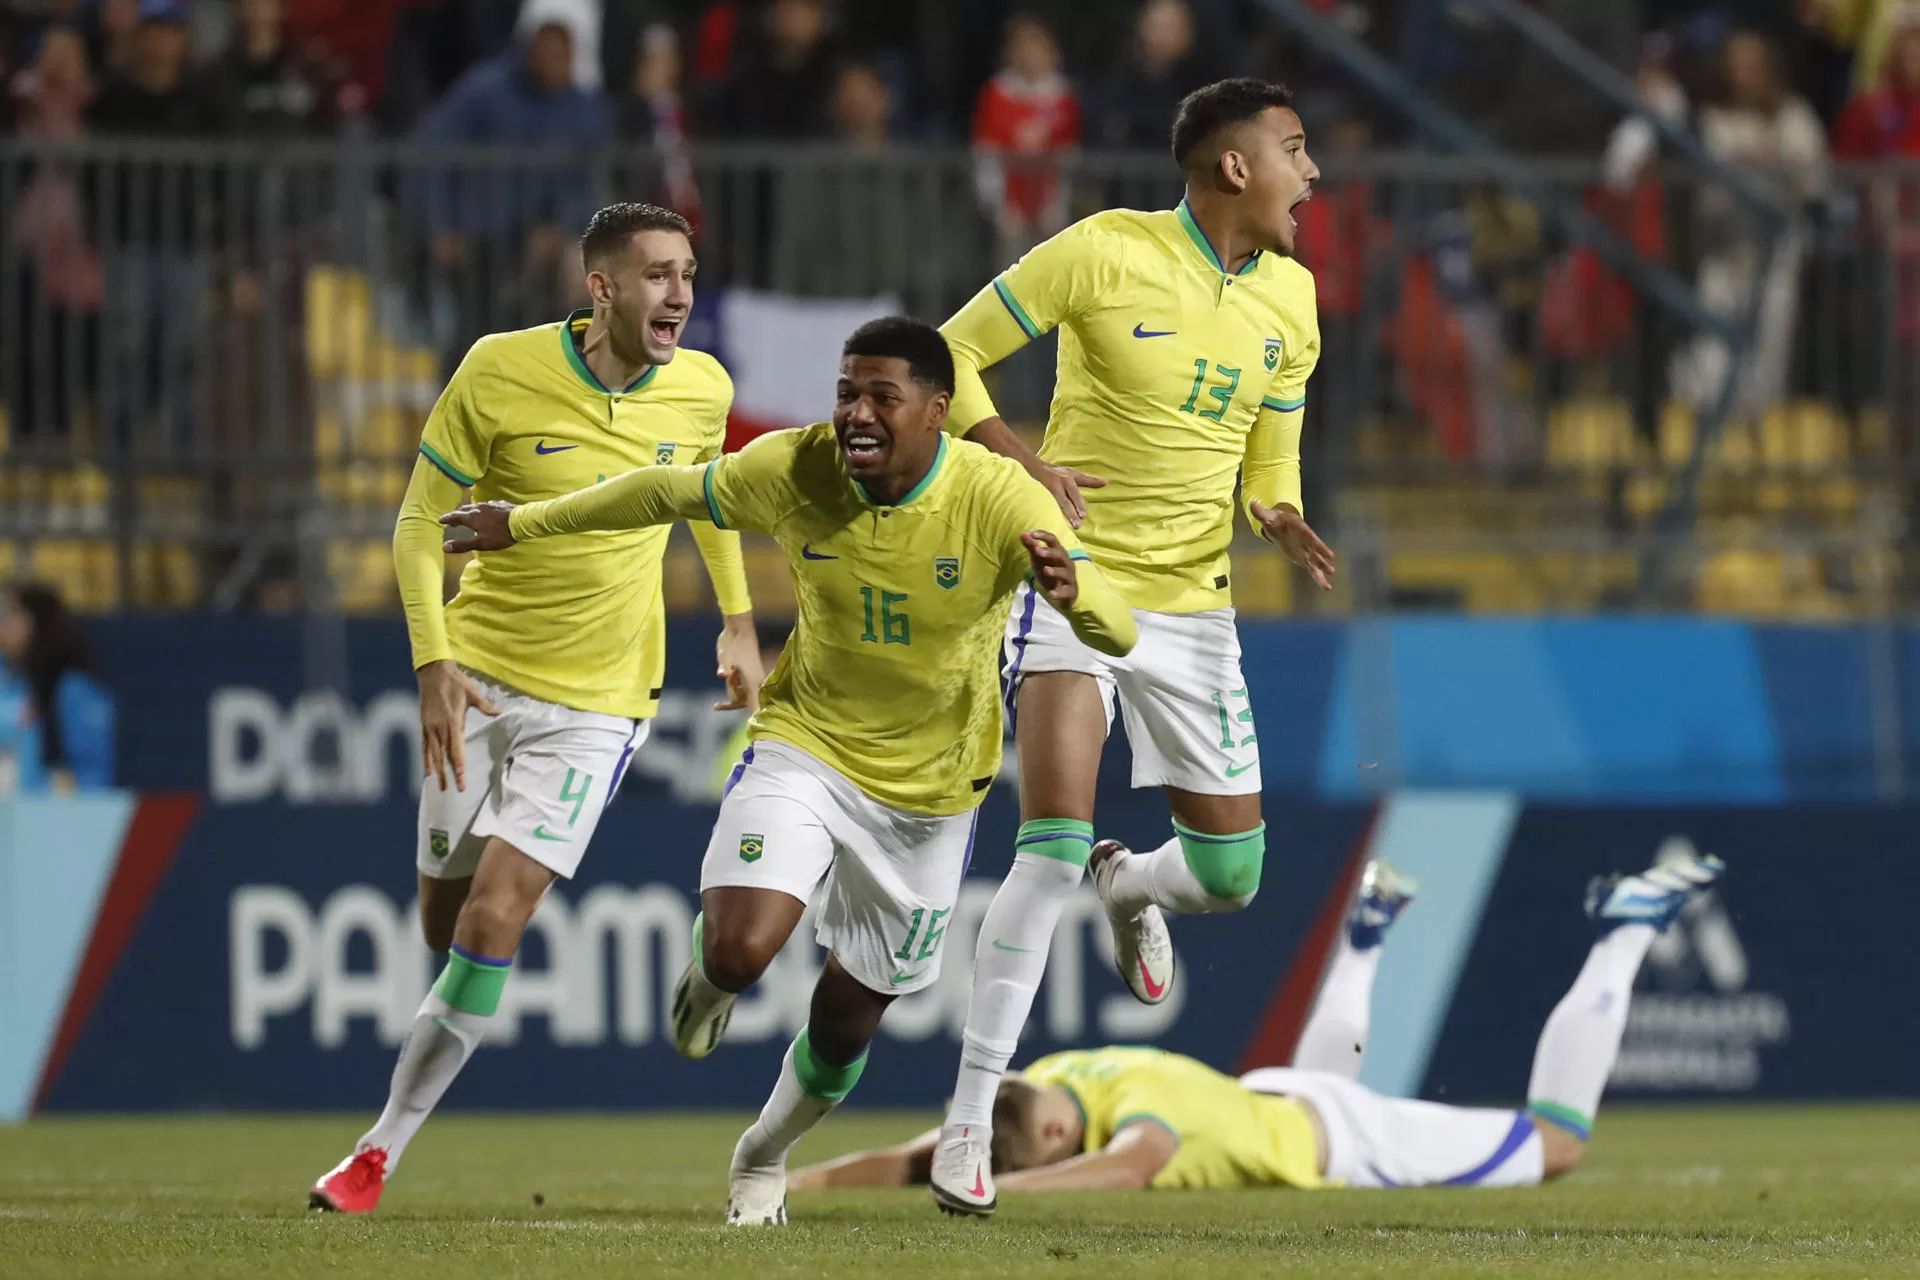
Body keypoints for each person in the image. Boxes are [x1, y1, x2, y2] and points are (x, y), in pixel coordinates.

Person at [438, 316, 1139, 1226]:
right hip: (806, 743)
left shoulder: (999, 496)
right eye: (847, 392)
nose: (856, 413)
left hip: (931, 794)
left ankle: (761, 1154)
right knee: (739, 948)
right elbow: (662, 491)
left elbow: (1119, 629)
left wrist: (1080, 597)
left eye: (882, 397)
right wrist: (517, 524)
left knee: (846, 1026)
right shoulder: (795, 468)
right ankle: (710, 978)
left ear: (937, 411)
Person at [307, 202, 764, 1215]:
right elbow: (421, 523)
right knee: (441, 919)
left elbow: (709, 497)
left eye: (686, 271)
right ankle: (414, 1064)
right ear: (600, 288)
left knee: (494, 911)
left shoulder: (701, 385)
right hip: (476, 673)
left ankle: (377, 1151)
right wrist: (432, 661)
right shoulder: (499, 369)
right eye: (655, 273)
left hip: (600, 699)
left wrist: (738, 621)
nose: (679, 293)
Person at [931, 76, 1333, 1216]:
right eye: (1296, 151)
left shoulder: (1294, 302)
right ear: (1235, 166)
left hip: (1196, 614)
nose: (1315, 175)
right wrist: (1019, 460)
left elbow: (1272, 451)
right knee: (1047, 843)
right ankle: (969, 1127)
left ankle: (1130, 881)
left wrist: (1278, 507)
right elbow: (950, 354)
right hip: (1072, 583)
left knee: (1232, 876)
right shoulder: (1104, 250)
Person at [790, 847, 1726, 1196]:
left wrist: (995, 1200)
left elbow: (1127, 1169)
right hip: (1283, 1096)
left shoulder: (1138, 1118)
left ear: (1054, 1132)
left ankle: (1623, 937)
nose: (1038, 1159)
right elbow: (928, 1149)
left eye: (1036, 1155)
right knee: (1326, 1083)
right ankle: (1363, 939)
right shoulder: (1068, 1077)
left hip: (1344, 1139)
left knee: (1556, 1146)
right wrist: (815, 1180)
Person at [0, 582, 116, 795]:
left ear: (37, 621)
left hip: (61, 816)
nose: (4, 624)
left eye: (13, 614)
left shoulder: (74, 688)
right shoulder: (15, 685)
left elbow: (91, 776)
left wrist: (51, 792)